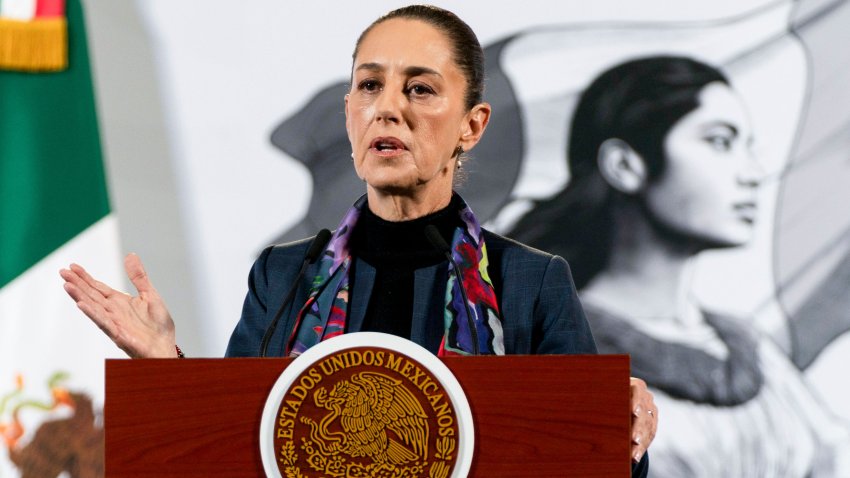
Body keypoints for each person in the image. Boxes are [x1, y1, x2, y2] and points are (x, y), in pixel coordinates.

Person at [58, 5, 656, 473]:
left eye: (420, 89)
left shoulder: (529, 280)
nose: (388, 109)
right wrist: (168, 368)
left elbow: (586, 459)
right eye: (369, 86)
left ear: (472, 126)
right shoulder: (282, 274)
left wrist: (621, 430)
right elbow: (238, 445)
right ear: (348, 111)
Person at [509, 55, 850, 477]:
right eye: (720, 142)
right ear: (625, 166)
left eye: (748, 147)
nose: (753, 173)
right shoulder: (553, 348)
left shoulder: (751, 350)